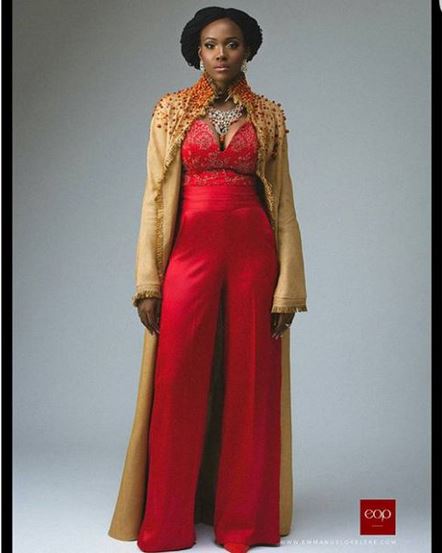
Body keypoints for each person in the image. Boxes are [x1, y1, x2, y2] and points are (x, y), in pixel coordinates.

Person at [108, 7, 308, 553]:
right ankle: (168, 521)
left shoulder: (267, 116)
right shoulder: (171, 111)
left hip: (253, 256)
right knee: (177, 382)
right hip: (189, 254)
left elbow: (284, 206)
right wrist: (148, 283)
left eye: (233, 43)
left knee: (251, 382)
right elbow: (154, 200)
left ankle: (241, 523)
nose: (222, 53)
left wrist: (288, 287)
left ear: (249, 50)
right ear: (196, 51)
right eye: (211, 44)